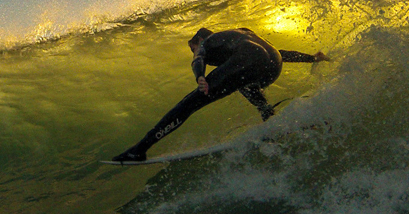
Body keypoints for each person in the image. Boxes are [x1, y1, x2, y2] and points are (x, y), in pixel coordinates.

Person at [111, 27, 328, 162]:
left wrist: (200, 77)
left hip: (249, 61)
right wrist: (311, 58)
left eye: (192, 47)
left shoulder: (205, 42)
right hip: (272, 65)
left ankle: (139, 150)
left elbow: (198, 59)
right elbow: (278, 53)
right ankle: (271, 121)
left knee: (189, 103)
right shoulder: (239, 34)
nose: (194, 50)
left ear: (195, 41)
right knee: (244, 83)